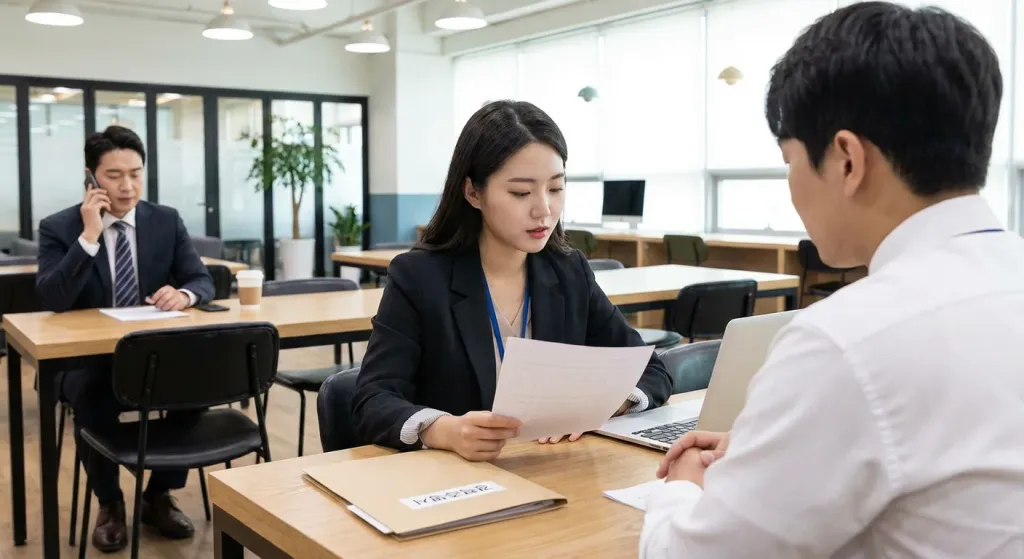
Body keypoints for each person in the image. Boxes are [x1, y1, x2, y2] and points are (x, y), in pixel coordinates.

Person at [641, 3, 1024, 557]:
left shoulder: (847, 341)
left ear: (847, 159)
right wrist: (785, 452)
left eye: (789, 160)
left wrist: (681, 490)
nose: (791, 187)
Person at [351, 100, 673, 460]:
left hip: (555, 469)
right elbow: (372, 400)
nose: (544, 210)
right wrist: (445, 431)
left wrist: (612, 402)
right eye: (521, 192)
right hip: (459, 481)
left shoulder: (569, 271)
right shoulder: (419, 277)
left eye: (555, 189)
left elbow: (652, 368)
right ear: (473, 192)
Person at [36, 125, 214, 552]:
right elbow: (52, 298)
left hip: (153, 355)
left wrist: (184, 294)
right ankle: (110, 503)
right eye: (114, 175)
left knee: (198, 389)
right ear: (91, 177)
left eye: (135, 173)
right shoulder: (59, 227)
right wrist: (89, 236)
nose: (127, 185)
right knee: (91, 395)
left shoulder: (165, 220)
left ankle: (157, 495)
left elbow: (201, 279)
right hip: (89, 361)